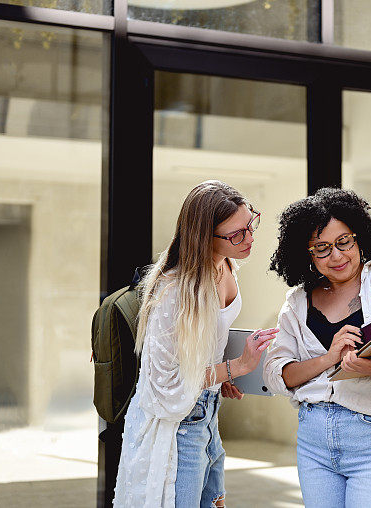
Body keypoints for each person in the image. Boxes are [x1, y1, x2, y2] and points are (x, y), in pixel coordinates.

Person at [263, 187, 371, 508]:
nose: (337, 256)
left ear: (360, 237)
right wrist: (329, 359)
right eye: (322, 248)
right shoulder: (297, 303)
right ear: (307, 255)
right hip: (313, 441)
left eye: (344, 241)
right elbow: (277, 376)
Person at [113, 180, 278, 508]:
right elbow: (166, 381)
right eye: (236, 235)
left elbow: (207, 341)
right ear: (205, 236)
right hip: (178, 428)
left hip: (207, 413)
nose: (249, 239)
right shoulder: (174, 291)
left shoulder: (226, 265)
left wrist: (222, 375)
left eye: (251, 224)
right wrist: (238, 366)